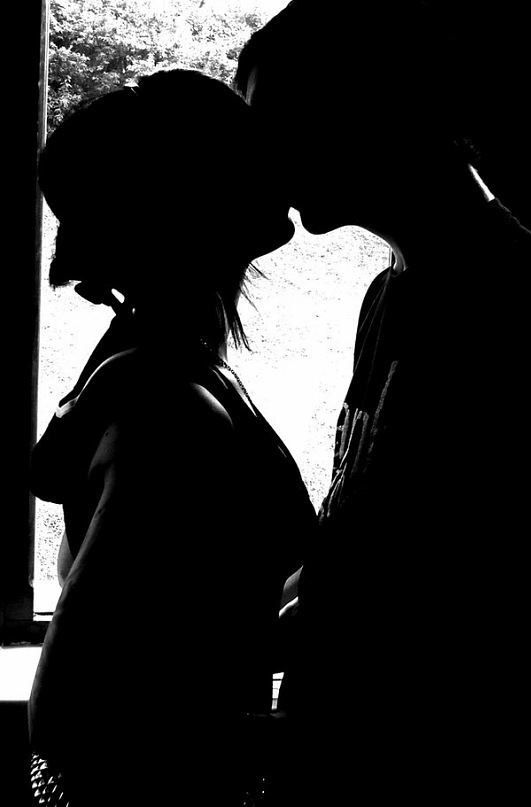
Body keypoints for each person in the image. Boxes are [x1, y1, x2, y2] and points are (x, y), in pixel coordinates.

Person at [235, 1, 530, 802]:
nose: (263, 159)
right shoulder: (389, 295)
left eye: (279, 123)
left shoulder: (512, 303)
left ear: (367, 110)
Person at [28, 68, 317, 807]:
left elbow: (166, 603)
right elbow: (68, 716)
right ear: (194, 198)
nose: (279, 162)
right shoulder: (171, 410)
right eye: (246, 151)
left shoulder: (157, 363)